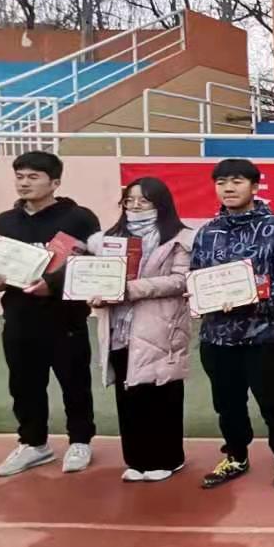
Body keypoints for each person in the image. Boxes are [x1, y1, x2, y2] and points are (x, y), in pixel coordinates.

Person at [193, 159, 274, 490]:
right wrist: (199, 298)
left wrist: (260, 302)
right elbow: (196, 275)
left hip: (263, 336)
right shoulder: (207, 232)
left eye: (237, 181)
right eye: (221, 182)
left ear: (255, 186)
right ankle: (236, 456)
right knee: (227, 403)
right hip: (216, 336)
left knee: (272, 400)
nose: (228, 188)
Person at [0, 151, 102, 478]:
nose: (24, 183)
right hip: (19, 318)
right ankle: (33, 444)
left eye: (33, 177)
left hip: (66, 318)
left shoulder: (79, 218)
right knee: (24, 385)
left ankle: (80, 441)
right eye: (20, 176)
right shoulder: (5, 222)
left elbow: (90, 263)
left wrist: (51, 285)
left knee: (74, 382)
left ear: (55, 182)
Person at [88, 178, 194, 482]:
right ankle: (136, 459)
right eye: (129, 200)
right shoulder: (107, 240)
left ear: (160, 204)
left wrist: (130, 289)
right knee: (128, 395)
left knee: (161, 395)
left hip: (162, 327)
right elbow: (94, 276)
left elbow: (181, 280)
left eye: (143, 200)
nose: (135, 206)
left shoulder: (181, 238)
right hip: (119, 328)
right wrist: (94, 291)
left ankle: (169, 458)